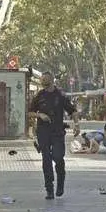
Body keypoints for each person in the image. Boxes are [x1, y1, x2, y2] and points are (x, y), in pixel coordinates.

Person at [28, 71, 80, 199]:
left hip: (57, 132)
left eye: (44, 79)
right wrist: (39, 115)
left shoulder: (60, 95)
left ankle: (60, 182)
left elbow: (72, 111)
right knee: (46, 159)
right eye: (41, 79)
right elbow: (30, 112)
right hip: (43, 131)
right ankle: (49, 188)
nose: (42, 81)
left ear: (51, 80)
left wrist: (77, 124)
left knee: (58, 157)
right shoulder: (39, 95)